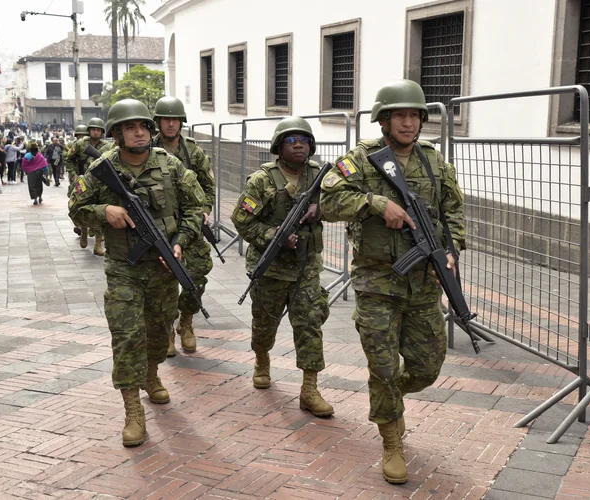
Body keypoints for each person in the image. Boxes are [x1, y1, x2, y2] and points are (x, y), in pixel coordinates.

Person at [320, 80, 466, 485]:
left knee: (426, 368)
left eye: (414, 115)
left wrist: (450, 252)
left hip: (423, 287)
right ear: (383, 119)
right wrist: (375, 203)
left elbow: (453, 211)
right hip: (376, 283)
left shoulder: (436, 163)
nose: (408, 122)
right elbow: (327, 201)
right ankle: (391, 441)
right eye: (399, 115)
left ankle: (391, 400)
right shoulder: (362, 160)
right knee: (383, 367)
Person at [68, 99, 205, 447]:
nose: (139, 132)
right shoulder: (101, 168)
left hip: (162, 270)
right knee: (127, 336)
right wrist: (104, 210)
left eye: (144, 126)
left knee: (159, 334)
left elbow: (195, 208)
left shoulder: (171, 166)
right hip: (123, 269)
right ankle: (132, 410)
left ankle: (152, 374)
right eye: (130, 127)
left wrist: (180, 242)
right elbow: (75, 208)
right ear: (116, 133)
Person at [230, 117, 334, 418]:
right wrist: (272, 236)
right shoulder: (262, 180)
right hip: (272, 269)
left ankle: (309, 389)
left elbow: (344, 204)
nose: (298, 144)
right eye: (291, 140)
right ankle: (262, 359)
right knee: (265, 322)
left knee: (310, 325)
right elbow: (242, 219)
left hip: (306, 269)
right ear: (279, 147)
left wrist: (321, 208)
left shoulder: (321, 176)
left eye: (303, 139)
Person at [152, 96, 215, 356]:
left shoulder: (193, 151)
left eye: (174, 119)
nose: (170, 124)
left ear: (181, 123)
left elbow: (208, 186)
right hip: (160, 225)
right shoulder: (147, 148)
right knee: (163, 279)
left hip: (190, 224)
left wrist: (205, 209)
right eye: (165, 119)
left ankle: (186, 321)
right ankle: (166, 328)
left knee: (198, 273)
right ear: (158, 122)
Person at [64, 117, 112, 256]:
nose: (95, 132)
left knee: (99, 212)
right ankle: (83, 230)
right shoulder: (80, 144)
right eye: (93, 129)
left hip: (100, 183)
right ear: (89, 130)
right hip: (83, 183)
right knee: (83, 207)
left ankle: (97, 244)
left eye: (98, 130)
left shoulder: (108, 146)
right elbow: (69, 159)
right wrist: (73, 175)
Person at [21, 141, 49, 205]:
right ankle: (40, 197)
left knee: (32, 186)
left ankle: (35, 199)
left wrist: (26, 171)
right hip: (39, 172)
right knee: (39, 185)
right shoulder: (40, 156)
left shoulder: (27, 155)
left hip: (31, 173)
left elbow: (24, 165)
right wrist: (46, 172)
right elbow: (45, 165)